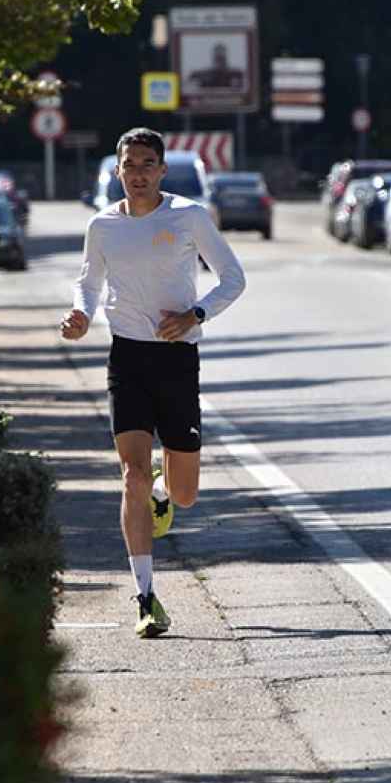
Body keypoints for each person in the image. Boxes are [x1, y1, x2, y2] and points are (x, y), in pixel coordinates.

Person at [61, 127, 247, 636]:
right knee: (131, 476)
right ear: (117, 171)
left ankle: (166, 491)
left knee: (183, 494)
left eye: (147, 164)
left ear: (162, 171)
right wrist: (81, 314)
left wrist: (195, 315)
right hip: (127, 358)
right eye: (129, 165)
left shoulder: (187, 217)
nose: (137, 173)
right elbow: (89, 281)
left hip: (176, 360)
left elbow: (233, 277)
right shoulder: (102, 225)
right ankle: (146, 597)